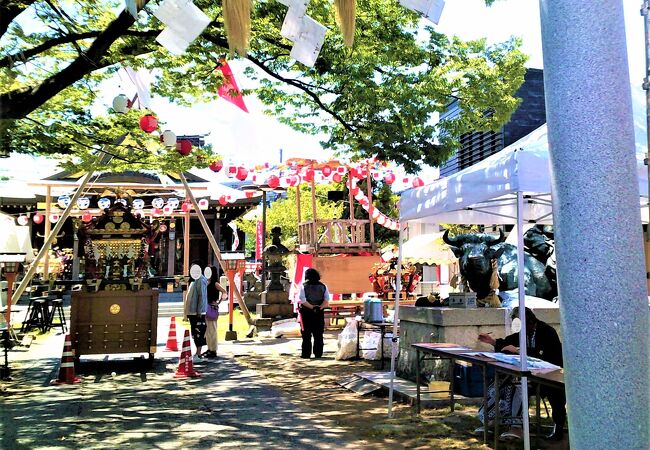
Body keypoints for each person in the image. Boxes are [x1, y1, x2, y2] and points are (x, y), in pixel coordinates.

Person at [477, 307, 566, 441]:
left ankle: (518, 426)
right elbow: (508, 342)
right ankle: (490, 419)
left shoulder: (547, 332)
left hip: (549, 377)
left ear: (530, 322)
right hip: (527, 375)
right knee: (502, 383)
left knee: (522, 387)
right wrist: (492, 342)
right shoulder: (522, 333)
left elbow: (547, 356)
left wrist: (519, 351)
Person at [298, 268, 330, 359]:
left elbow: (302, 300)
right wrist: (319, 307)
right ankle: (318, 353)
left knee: (306, 334)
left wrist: (312, 307)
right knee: (318, 333)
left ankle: (306, 353)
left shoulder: (303, 286)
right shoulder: (323, 286)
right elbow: (326, 300)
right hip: (319, 312)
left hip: (306, 312)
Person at [184, 261, 208, 359]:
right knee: (195, 332)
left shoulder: (200, 280)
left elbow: (201, 296)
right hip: (192, 311)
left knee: (199, 331)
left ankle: (198, 353)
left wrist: (199, 310)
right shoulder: (194, 280)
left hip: (197, 312)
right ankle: (197, 353)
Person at [203, 266, 227, 359]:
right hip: (205, 307)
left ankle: (213, 349)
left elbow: (224, 292)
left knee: (212, 329)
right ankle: (209, 348)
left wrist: (218, 302)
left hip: (212, 307)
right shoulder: (205, 282)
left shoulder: (215, 283)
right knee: (207, 330)